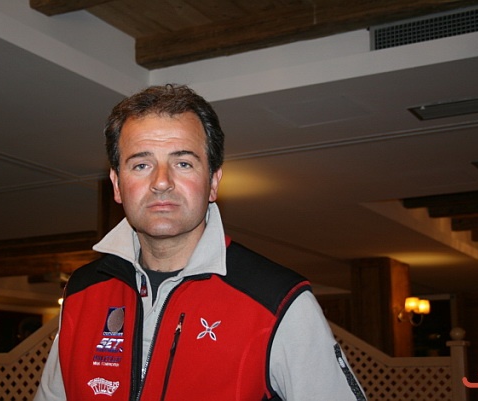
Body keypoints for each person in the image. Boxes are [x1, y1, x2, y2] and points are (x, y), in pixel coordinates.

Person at [35, 84, 366, 400]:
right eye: (141, 164)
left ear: (213, 182)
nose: (161, 182)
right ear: (117, 185)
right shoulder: (81, 292)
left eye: (183, 163)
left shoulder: (277, 301)